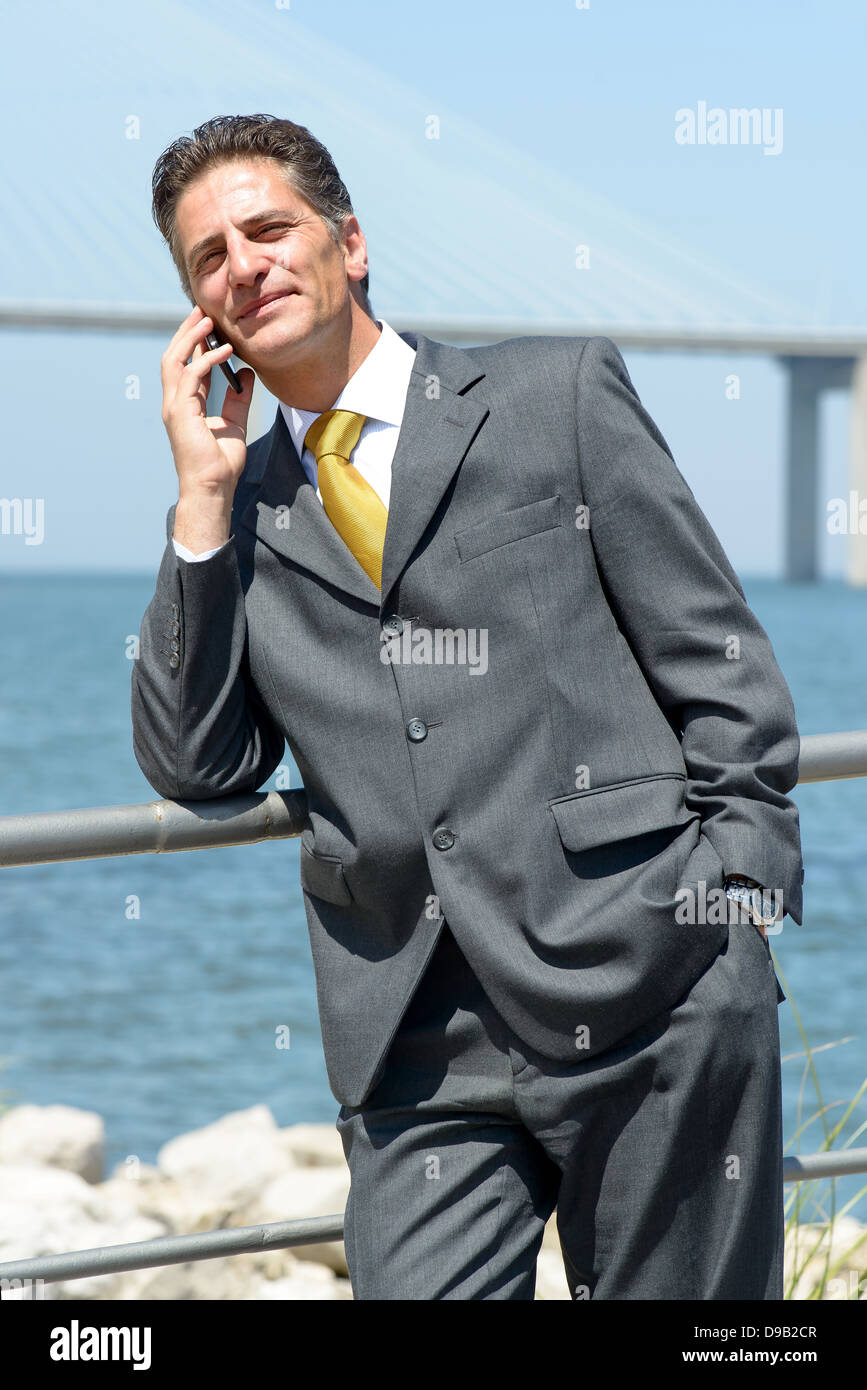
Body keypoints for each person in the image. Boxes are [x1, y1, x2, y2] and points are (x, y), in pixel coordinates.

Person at [132, 113, 804, 1300]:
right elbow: (198, 764)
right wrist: (199, 502)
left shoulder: (557, 394)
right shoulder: (238, 506)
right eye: (208, 257)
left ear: (351, 242)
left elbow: (724, 674)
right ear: (200, 310)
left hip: (653, 987)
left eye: (270, 229)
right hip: (415, 1046)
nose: (244, 264)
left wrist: (733, 921)